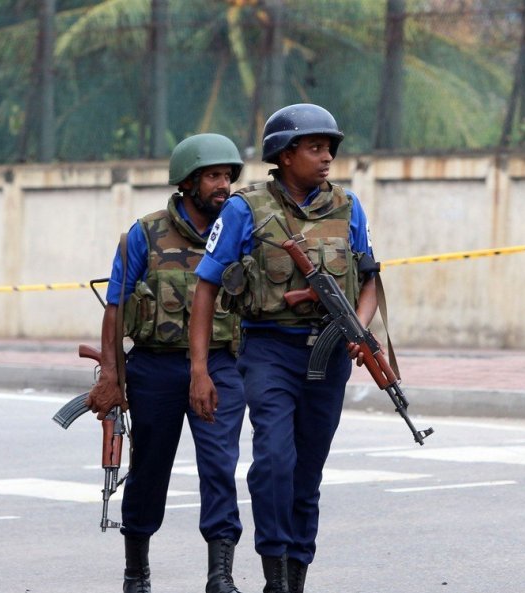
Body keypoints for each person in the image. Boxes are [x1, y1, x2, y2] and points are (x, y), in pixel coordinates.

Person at [188, 104, 379, 593]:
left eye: (329, 149)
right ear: (285, 154)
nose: (326, 158)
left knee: (307, 470)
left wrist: (357, 329)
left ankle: (296, 575)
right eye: (314, 148)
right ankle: (273, 568)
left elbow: (371, 281)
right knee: (274, 459)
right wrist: (200, 368)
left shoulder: (348, 207)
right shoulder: (243, 209)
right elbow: (206, 286)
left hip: (330, 354)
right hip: (269, 349)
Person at [86, 134, 248, 593]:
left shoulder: (240, 230)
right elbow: (115, 308)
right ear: (188, 182)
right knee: (150, 469)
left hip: (218, 365)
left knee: (220, 465)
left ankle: (221, 575)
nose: (223, 185)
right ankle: (135, 571)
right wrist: (113, 376)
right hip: (155, 367)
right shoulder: (145, 233)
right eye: (213, 176)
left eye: (227, 176)